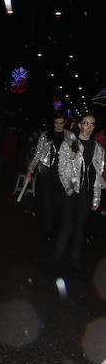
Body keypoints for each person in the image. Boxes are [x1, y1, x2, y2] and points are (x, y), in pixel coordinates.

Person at [54, 113, 104, 268]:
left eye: (92, 124)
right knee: (67, 225)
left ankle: (75, 260)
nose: (89, 127)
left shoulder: (98, 148)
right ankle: (57, 259)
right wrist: (68, 186)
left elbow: (98, 174)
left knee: (80, 227)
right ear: (80, 125)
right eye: (86, 123)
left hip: (86, 193)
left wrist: (96, 198)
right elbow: (62, 168)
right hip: (71, 191)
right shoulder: (70, 144)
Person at [26, 112, 74, 242]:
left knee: (60, 202)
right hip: (47, 172)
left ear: (64, 123)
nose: (58, 125)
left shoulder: (70, 136)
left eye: (61, 123)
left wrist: (74, 177)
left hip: (63, 173)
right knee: (47, 202)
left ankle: (59, 229)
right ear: (53, 123)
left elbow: (76, 155)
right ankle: (48, 231)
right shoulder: (45, 135)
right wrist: (30, 170)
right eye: (56, 123)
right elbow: (38, 154)